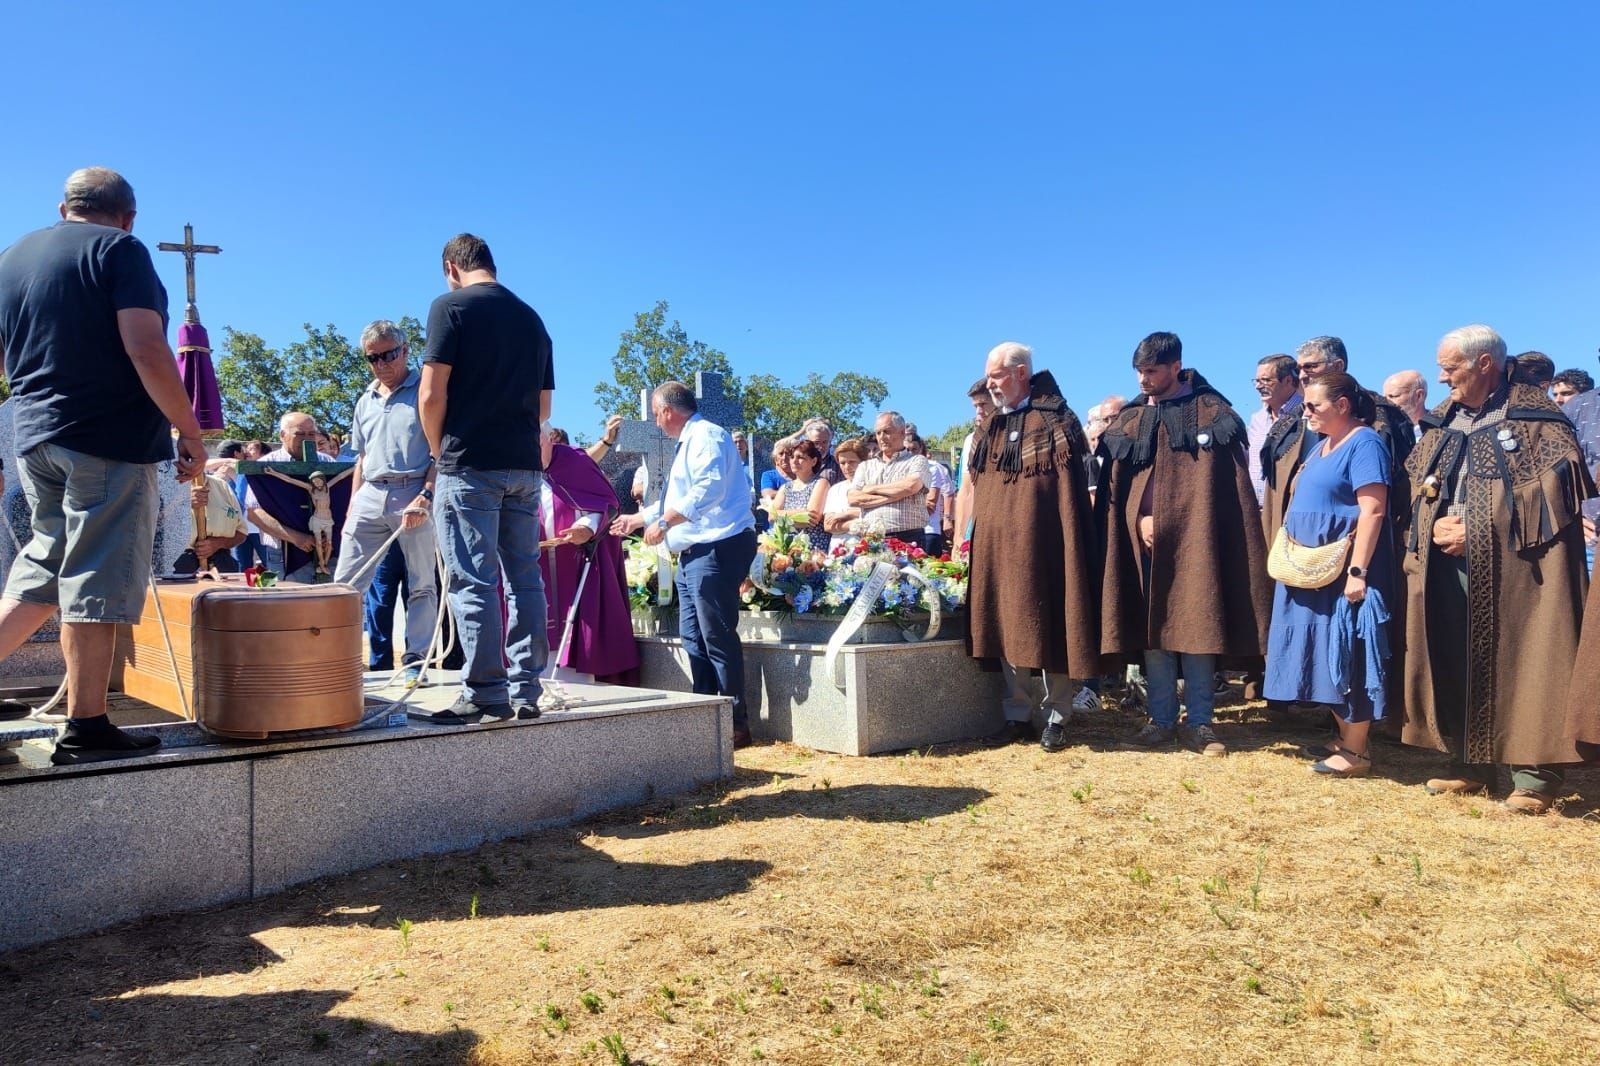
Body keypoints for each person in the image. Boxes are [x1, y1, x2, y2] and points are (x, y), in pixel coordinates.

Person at [0, 166, 207, 763]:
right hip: (105, 440)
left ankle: (85, 718)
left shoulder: (13, 258)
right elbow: (145, 345)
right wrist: (188, 430)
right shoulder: (121, 250)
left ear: (63, 207)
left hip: (35, 437)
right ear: (127, 216)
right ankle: (86, 727)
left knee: (44, 570)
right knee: (93, 578)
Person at [1401, 325, 1594, 814]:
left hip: (1521, 570)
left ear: (1485, 363)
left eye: (1451, 368)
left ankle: (1533, 776)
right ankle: (1470, 763)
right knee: (1457, 655)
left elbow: (1551, 497)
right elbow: (1419, 481)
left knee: (1525, 656)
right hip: (1447, 563)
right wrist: (1435, 525)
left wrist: (1479, 530)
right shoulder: (1446, 421)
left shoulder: (1539, 419)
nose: (1442, 378)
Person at [1098, 332, 1271, 757]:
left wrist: (1185, 523)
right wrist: (1136, 520)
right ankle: (1158, 720)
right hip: (1144, 542)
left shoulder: (1212, 413)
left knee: (1197, 625)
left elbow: (1226, 490)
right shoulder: (1131, 418)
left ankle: (1200, 724)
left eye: (1152, 371)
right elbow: (1118, 488)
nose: (1144, 379)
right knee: (1154, 629)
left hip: (1199, 540)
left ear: (1176, 367)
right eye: (1139, 371)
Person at [419, 233, 554, 723]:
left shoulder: (450, 307)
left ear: (452, 267)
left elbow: (432, 393)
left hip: (469, 463)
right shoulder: (532, 319)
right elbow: (544, 406)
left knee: (473, 580)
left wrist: (438, 452)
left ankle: (484, 693)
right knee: (524, 579)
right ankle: (526, 691)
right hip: (523, 465)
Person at [967, 342, 1100, 752]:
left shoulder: (1057, 420)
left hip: (1046, 541)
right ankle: (1017, 714)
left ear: (1022, 372)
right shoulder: (989, 427)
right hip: (996, 543)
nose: (990, 384)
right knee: (1004, 622)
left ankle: (1057, 715)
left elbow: (1072, 489)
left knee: (1052, 622)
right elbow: (977, 485)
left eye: (997, 375)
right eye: (989, 376)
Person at [610, 381, 757, 746]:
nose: (656, 423)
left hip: (718, 547)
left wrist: (663, 523)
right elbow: (676, 498)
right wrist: (640, 519)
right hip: (694, 552)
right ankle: (707, 713)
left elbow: (708, 488)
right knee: (694, 637)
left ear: (667, 411)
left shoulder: (707, 436)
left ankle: (735, 723)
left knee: (716, 635)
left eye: (656, 415)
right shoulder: (690, 439)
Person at [1263, 374, 1394, 776]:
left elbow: (1372, 509)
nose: (1305, 412)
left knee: (1345, 650)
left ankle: (1356, 752)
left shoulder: (1365, 443)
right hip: (1309, 571)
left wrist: (1358, 571)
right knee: (1321, 651)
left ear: (1342, 405)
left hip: (1342, 572)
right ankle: (1345, 738)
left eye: (1313, 405)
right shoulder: (1323, 445)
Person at [331, 319, 439, 685]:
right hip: (371, 493)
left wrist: (426, 494)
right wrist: (351, 507)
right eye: (372, 358)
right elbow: (361, 457)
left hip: (413, 491)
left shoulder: (426, 390)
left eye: (388, 354)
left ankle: (416, 660)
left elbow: (442, 452)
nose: (381, 364)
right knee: (345, 583)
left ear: (406, 351)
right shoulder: (365, 400)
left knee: (422, 582)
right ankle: (335, 658)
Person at [539, 425, 639, 684]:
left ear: (549, 440)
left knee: (578, 638)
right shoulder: (510, 470)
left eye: (537, 442)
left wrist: (587, 527)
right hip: (533, 566)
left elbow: (606, 503)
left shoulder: (574, 462)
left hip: (576, 563)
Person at [245, 412, 343, 583]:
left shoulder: (328, 464)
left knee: (327, 603)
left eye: (311, 434)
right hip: (283, 551)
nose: (306, 439)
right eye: (299, 434)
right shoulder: (265, 468)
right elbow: (254, 513)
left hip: (326, 547)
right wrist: (294, 537)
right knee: (287, 605)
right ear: (283, 436)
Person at [848, 412, 930, 542]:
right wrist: (897, 494)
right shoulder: (865, 466)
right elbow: (853, 498)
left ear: (902, 433)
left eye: (887, 431)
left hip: (908, 538)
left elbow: (911, 486)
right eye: (878, 433)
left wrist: (871, 489)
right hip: (871, 539)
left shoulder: (917, 460)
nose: (881, 437)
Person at [1247, 354, 1301, 504]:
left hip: (1288, 511)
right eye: (1257, 381)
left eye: (1266, 380)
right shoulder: (1257, 419)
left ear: (1288, 381)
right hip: (1257, 512)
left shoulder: (1307, 415)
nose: (1258, 386)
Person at [952, 378, 996, 554]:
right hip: (976, 524)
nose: (979, 411)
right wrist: (958, 537)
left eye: (983, 404)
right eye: (975, 406)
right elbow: (966, 489)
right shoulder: (972, 440)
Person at [776, 438, 830, 551]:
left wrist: (782, 516)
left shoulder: (821, 483)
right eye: (792, 457)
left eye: (800, 457)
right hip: (788, 548)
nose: (794, 461)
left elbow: (811, 517)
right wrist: (801, 514)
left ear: (814, 461)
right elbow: (771, 517)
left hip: (813, 548)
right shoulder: (785, 488)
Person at [821, 437, 867, 549]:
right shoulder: (835, 489)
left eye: (852, 462)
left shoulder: (873, 486)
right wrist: (858, 521)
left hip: (867, 549)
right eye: (842, 463)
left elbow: (876, 518)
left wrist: (845, 515)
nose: (847, 467)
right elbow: (828, 525)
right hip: (838, 550)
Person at [1382, 370, 1429, 442]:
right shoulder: (1382, 434)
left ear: (1419, 396)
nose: (1386, 402)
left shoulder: (1442, 430)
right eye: (1384, 398)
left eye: (1393, 396)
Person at [802, 419, 843, 484]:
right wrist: (801, 431)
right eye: (816, 443)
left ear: (830, 442)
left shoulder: (838, 464)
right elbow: (781, 446)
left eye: (824, 442)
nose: (821, 447)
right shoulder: (799, 462)